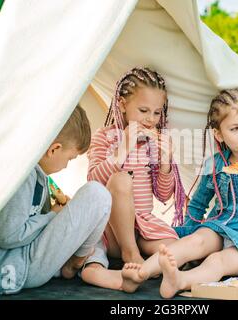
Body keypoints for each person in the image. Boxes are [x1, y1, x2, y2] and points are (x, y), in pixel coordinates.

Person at [120, 87, 238, 298]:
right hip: (223, 225)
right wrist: (189, 231)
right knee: (195, 241)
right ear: (219, 134)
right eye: (235, 128)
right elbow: (198, 205)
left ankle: (180, 280)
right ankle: (140, 273)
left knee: (218, 262)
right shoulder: (215, 165)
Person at [0, 106, 112, 294]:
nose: (67, 165)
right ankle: (79, 263)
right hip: (21, 264)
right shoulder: (23, 175)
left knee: (91, 225)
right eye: (70, 158)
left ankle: (95, 266)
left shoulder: (39, 176)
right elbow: (8, 236)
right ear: (54, 149)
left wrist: (54, 212)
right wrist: (52, 215)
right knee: (97, 196)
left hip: (28, 256)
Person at [81, 67, 186, 290]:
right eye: (143, 110)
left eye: (157, 113)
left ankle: (138, 269)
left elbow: (164, 195)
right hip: (111, 231)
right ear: (122, 104)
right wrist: (123, 148)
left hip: (143, 229)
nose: (150, 119)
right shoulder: (105, 137)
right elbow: (93, 181)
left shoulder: (153, 144)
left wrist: (165, 161)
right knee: (121, 180)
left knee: (176, 249)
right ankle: (130, 255)